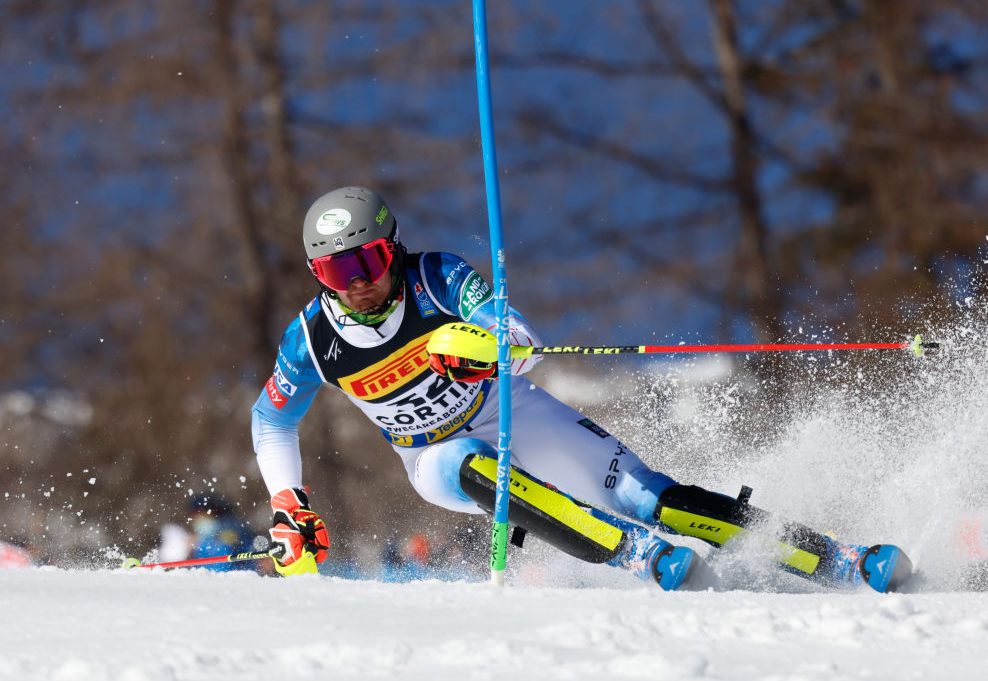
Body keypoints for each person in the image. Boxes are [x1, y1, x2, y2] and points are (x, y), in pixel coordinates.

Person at [252, 186, 911, 592]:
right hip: (430, 453)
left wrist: (490, 353)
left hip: (507, 411)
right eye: (338, 269)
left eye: (366, 260)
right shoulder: (310, 340)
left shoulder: (437, 279)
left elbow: (518, 337)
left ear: (392, 248)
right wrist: (288, 501)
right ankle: (635, 553)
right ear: (318, 274)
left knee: (648, 492)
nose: (357, 282)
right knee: (474, 468)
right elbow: (271, 420)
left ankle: (836, 559)